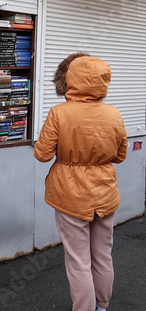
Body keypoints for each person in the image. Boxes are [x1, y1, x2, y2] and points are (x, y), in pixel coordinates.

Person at [34, 54, 128, 311]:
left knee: (78, 261)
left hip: (70, 195)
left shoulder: (59, 113)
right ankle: (102, 307)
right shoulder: (114, 114)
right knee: (102, 256)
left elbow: (42, 154)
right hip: (106, 194)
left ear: (71, 78)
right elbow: (120, 156)